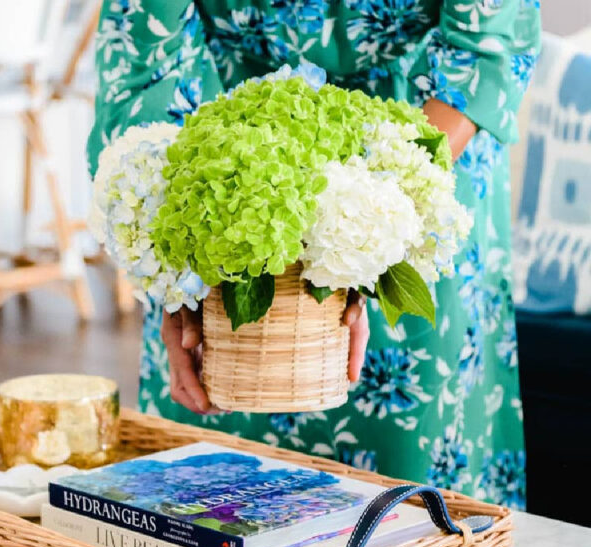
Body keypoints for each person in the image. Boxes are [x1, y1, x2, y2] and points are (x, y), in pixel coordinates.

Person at [88, 1, 541, 508]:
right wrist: (178, 272)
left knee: (412, 515)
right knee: (211, 513)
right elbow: (145, 48)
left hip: (423, 146)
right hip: (226, 168)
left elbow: (484, 47)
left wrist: (372, 226)